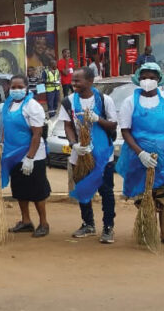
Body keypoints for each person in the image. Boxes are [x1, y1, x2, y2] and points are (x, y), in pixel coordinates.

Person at [115, 63, 164, 247]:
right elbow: (126, 131)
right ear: (138, 79)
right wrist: (141, 153)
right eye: (144, 77)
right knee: (145, 195)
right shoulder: (130, 102)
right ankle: (146, 231)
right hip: (139, 158)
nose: (147, 81)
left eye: (152, 77)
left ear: (159, 80)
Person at [59, 67, 118, 244]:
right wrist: (74, 144)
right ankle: (88, 224)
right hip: (80, 155)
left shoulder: (104, 100)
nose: (74, 83)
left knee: (106, 191)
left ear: (90, 81)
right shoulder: (68, 101)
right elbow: (68, 126)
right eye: (73, 80)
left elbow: (113, 125)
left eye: (78, 80)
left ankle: (108, 227)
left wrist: (98, 119)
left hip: (103, 154)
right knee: (83, 189)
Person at [1, 75, 51, 238]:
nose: (16, 90)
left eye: (20, 87)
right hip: (13, 154)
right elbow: (6, 127)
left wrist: (29, 158)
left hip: (32, 155)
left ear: (27, 88)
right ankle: (26, 221)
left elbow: (37, 134)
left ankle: (43, 223)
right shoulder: (8, 104)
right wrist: (2, 143)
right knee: (20, 190)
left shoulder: (32, 106)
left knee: (37, 190)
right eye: (13, 87)